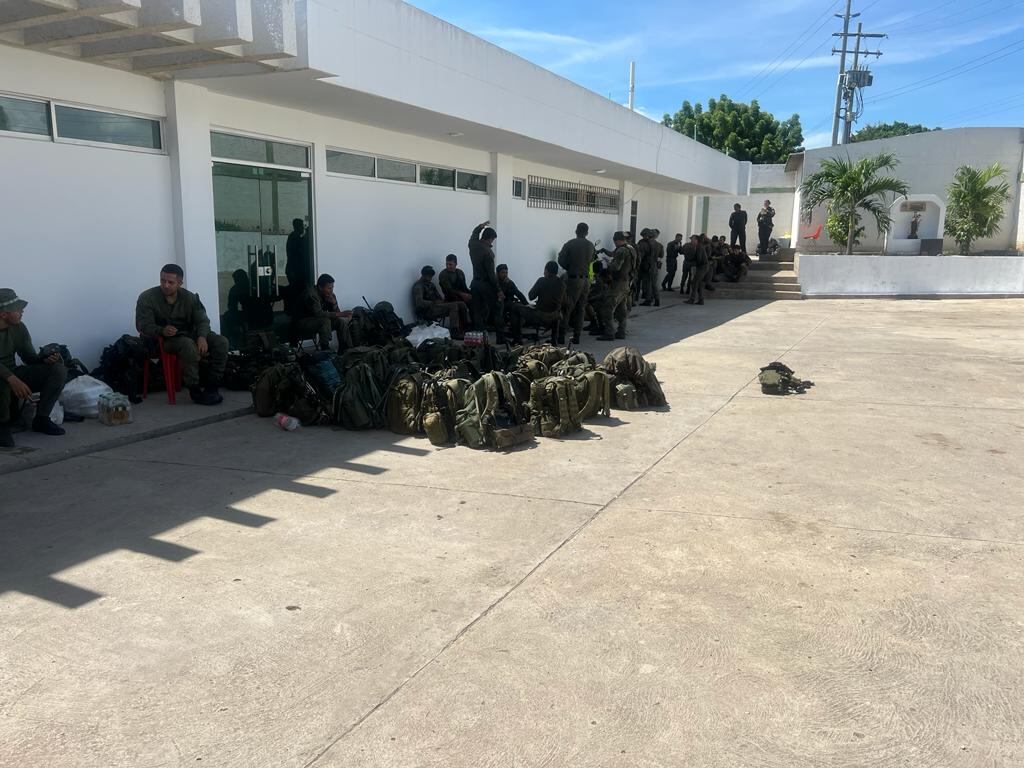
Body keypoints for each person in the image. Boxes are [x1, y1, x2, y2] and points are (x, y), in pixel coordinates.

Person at [136, 264, 228, 406]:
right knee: (187, 345)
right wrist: (162, 330)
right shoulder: (147, 298)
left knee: (221, 342)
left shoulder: (190, 298)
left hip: (190, 334)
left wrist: (202, 336)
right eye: (162, 280)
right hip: (164, 341)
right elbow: (144, 325)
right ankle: (195, 390)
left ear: (180, 283)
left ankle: (212, 386)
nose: (165, 285)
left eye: (170, 282)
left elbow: (202, 320)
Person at [0, 289, 67, 448]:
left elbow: (29, 357)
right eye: (18, 309)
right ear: (4, 314)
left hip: (13, 374)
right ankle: (2, 426)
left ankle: (42, 419)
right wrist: (11, 379)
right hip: (5, 378)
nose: (22, 312)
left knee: (57, 371)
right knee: (2, 382)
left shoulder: (19, 327)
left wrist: (45, 358)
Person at [510, 261, 567, 344]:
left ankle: (517, 338)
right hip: (555, 316)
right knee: (556, 312)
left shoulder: (542, 280)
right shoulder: (562, 284)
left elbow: (531, 296)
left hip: (540, 316)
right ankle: (554, 339)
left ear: (546, 270)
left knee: (515, 308)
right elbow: (564, 301)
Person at [557, 222, 595, 345]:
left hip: (574, 279)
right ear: (587, 233)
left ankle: (561, 335)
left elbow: (561, 260)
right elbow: (591, 259)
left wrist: (570, 267)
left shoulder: (570, 243)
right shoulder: (590, 245)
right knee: (581, 308)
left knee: (567, 307)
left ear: (576, 231)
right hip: (586, 279)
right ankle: (577, 336)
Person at [468, 221, 505, 342]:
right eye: (492, 240)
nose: (492, 243)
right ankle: (500, 338)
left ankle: (480, 338)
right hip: (485, 284)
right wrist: (498, 290)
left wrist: (479, 227)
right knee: (497, 308)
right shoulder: (488, 253)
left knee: (477, 311)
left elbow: (474, 234)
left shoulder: (473, 245)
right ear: (490, 238)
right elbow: (491, 274)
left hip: (475, 283)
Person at [291, 274, 350, 349]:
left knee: (340, 322)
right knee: (325, 321)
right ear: (320, 287)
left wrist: (334, 304)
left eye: (332, 287)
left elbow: (336, 314)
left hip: (317, 321)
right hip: (302, 321)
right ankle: (325, 349)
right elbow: (318, 313)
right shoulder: (311, 294)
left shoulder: (330, 295)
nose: (331, 290)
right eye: (329, 288)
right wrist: (340, 314)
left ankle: (345, 349)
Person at [412, 266, 469, 335]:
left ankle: (467, 327)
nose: (430, 278)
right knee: (454, 306)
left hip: (436, 307)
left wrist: (441, 301)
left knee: (461, 304)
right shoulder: (418, 286)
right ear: (423, 275)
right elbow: (419, 303)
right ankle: (455, 332)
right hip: (427, 311)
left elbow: (439, 297)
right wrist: (433, 302)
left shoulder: (431, 285)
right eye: (429, 276)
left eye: (431, 276)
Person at [595, 232, 632, 340]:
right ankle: (621, 331)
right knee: (621, 308)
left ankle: (609, 333)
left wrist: (607, 264)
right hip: (626, 283)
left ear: (616, 240)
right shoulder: (630, 249)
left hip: (618, 283)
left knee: (608, 307)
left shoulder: (621, 250)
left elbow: (616, 267)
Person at [285, 218, 310, 293]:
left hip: (294, 271)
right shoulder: (294, 238)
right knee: (298, 292)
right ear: (297, 227)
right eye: (302, 226)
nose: (303, 228)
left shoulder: (295, 237)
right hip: (295, 272)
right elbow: (300, 252)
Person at [685, 236, 707, 306]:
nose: (691, 241)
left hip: (702, 267)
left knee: (694, 283)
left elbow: (699, 259)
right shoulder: (698, 247)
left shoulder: (699, 247)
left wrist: (692, 263)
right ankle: (701, 300)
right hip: (702, 267)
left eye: (693, 240)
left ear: (696, 240)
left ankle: (692, 299)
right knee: (698, 283)